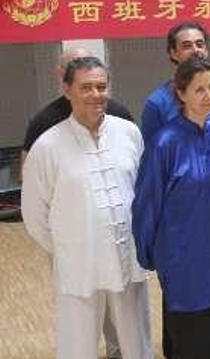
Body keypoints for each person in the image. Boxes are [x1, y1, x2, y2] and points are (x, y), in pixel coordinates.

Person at [22, 56, 152, 359]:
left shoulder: (128, 133)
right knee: (77, 346)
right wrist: (68, 246)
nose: (96, 94)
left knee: (136, 343)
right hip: (78, 265)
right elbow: (34, 213)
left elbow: (143, 192)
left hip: (127, 260)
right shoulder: (47, 146)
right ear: (67, 90)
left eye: (101, 87)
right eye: (86, 87)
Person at [133, 57, 210, 359]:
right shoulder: (164, 143)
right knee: (195, 344)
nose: (209, 95)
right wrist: (152, 256)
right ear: (181, 94)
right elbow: (146, 203)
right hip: (186, 263)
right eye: (199, 90)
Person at [142, 22, 210, 146]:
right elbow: (152, 154)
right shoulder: (157, 102)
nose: (196, 50)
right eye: (187, 46)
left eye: (200, 44)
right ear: (173, 53)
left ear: (206, 50)